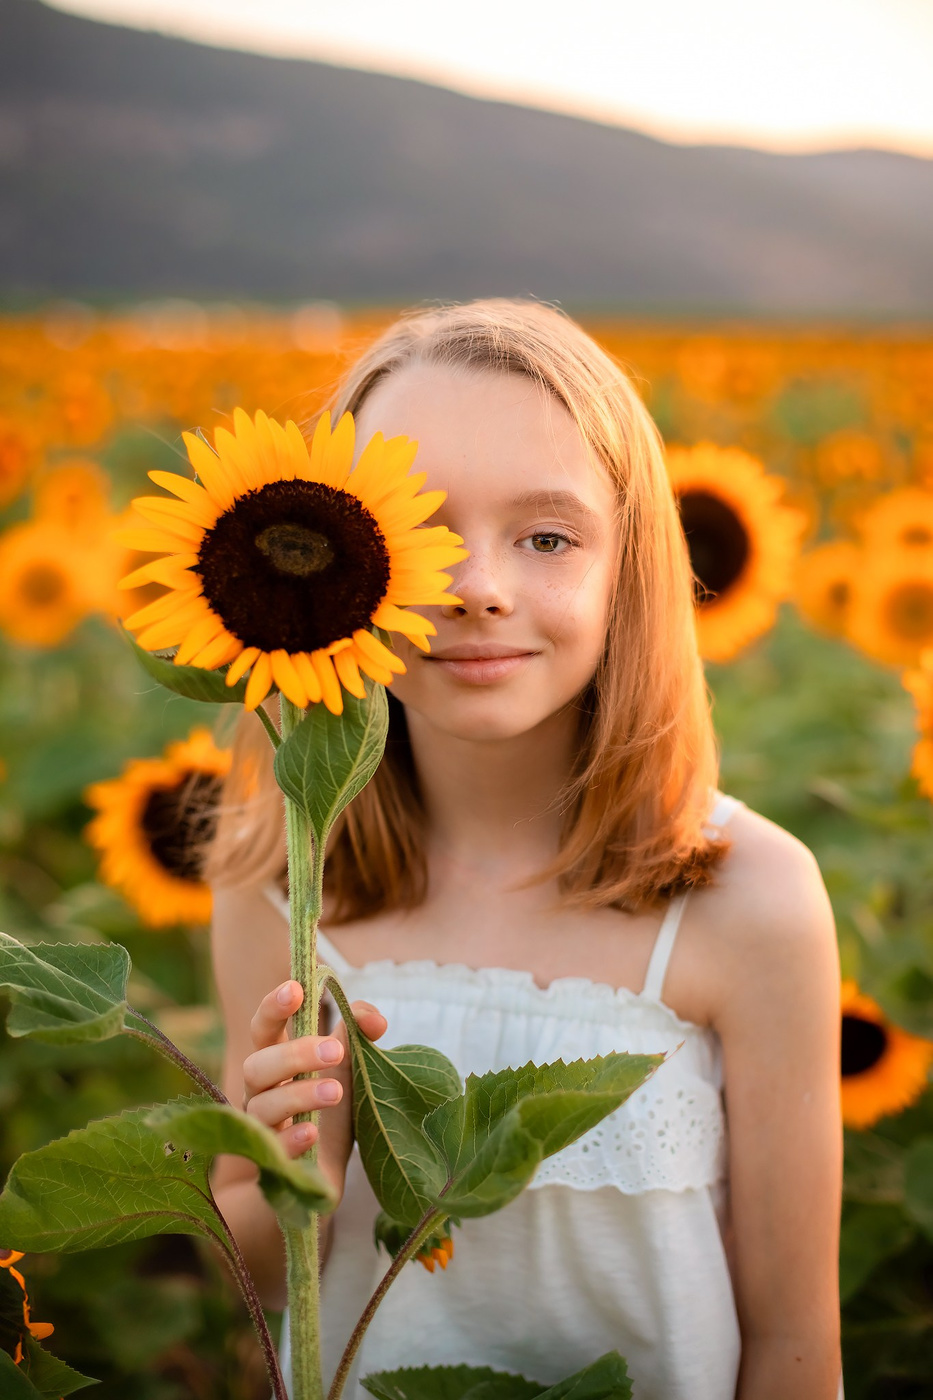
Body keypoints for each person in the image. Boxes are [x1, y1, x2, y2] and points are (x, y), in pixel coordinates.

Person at [206, 300, 843, 1400]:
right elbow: (252, 1278)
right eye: (424, 535)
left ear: (627, 567)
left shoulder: (748, 898)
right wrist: (289, 1177)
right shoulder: (284, 885)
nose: (480, 584)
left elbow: (793, 1338)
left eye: (546, 536)